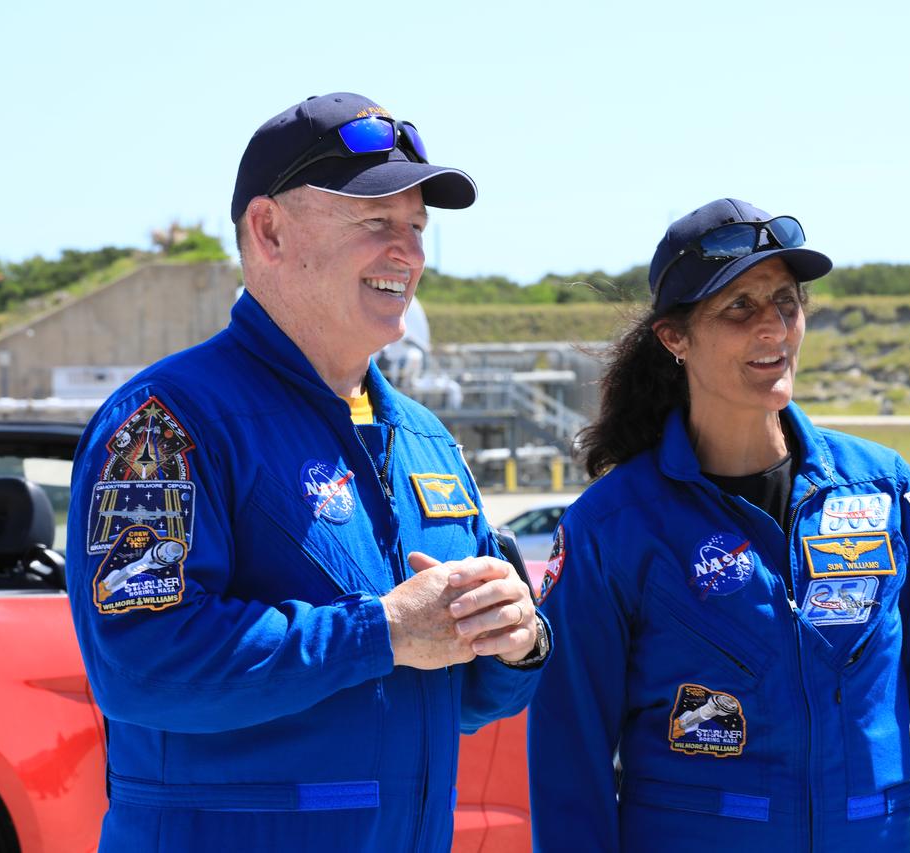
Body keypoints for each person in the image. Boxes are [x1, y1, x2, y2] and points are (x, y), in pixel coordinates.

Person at [67, 92, 549, 853]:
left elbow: (458, 692)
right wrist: (383, 630)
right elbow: (142, 663)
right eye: (376, 222)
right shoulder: (164, 423)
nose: (408, 253)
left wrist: (517, 642)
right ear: (268, 231)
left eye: (418, 229)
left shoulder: (423, 439)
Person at [527, 198, 910, 851]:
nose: (773, 326)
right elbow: (566, 761)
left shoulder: (884, 490)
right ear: (674, 337)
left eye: (786, 302)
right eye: (738, 307)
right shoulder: (612, 528)